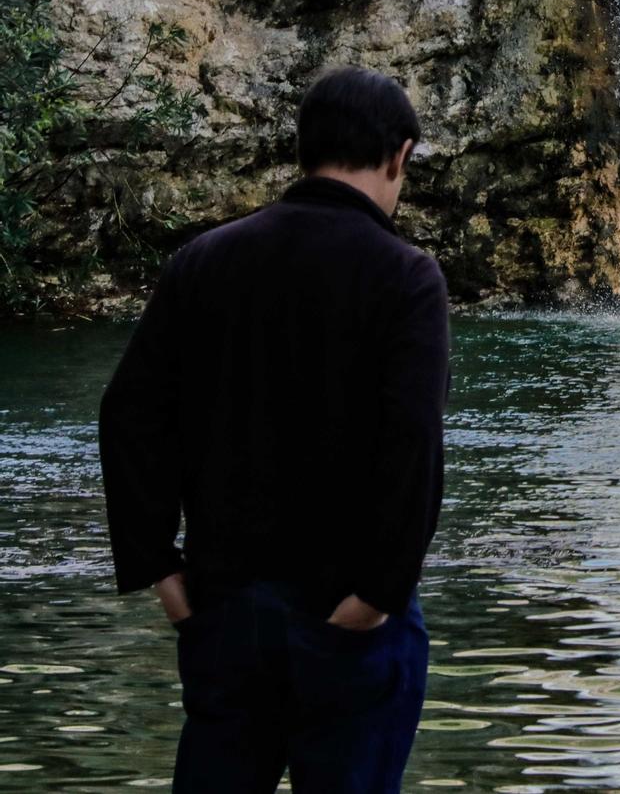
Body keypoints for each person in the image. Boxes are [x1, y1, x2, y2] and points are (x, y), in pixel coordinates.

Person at [99, 67, 449, 794]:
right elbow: (410, 444)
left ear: (305, 148)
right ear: (399, 156)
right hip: (351, 614)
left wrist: (159, 565)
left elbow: (130, 413)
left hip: (223, 605)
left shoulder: (202, 259)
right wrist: (379, 595)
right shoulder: (407, 276)